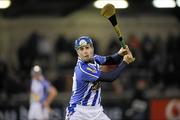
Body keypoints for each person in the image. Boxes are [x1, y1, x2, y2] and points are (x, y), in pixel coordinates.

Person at [65, 36, 135, 120]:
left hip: (96, 111)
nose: (85, 51)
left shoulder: (94, 58)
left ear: (92, 48)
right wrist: (125, 62)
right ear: (77, 52)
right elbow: (110, 77)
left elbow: (111, 60)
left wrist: (120, 53)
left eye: (87, 47)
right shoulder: (82, 69)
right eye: (81, 49)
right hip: (79, 113)